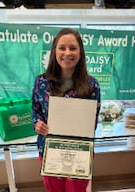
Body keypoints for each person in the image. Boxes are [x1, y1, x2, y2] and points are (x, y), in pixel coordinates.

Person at [32, 28, 100, 192]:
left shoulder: (92, 85)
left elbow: (92, 123)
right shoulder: (41, 82)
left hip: (79, 151)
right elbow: (35, 110)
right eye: (62, 48)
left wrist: (73, 152)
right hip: (49, 149)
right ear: (55, 51)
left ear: (80, 52)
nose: (67, 53)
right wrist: (37, 124)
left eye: (73, 48)